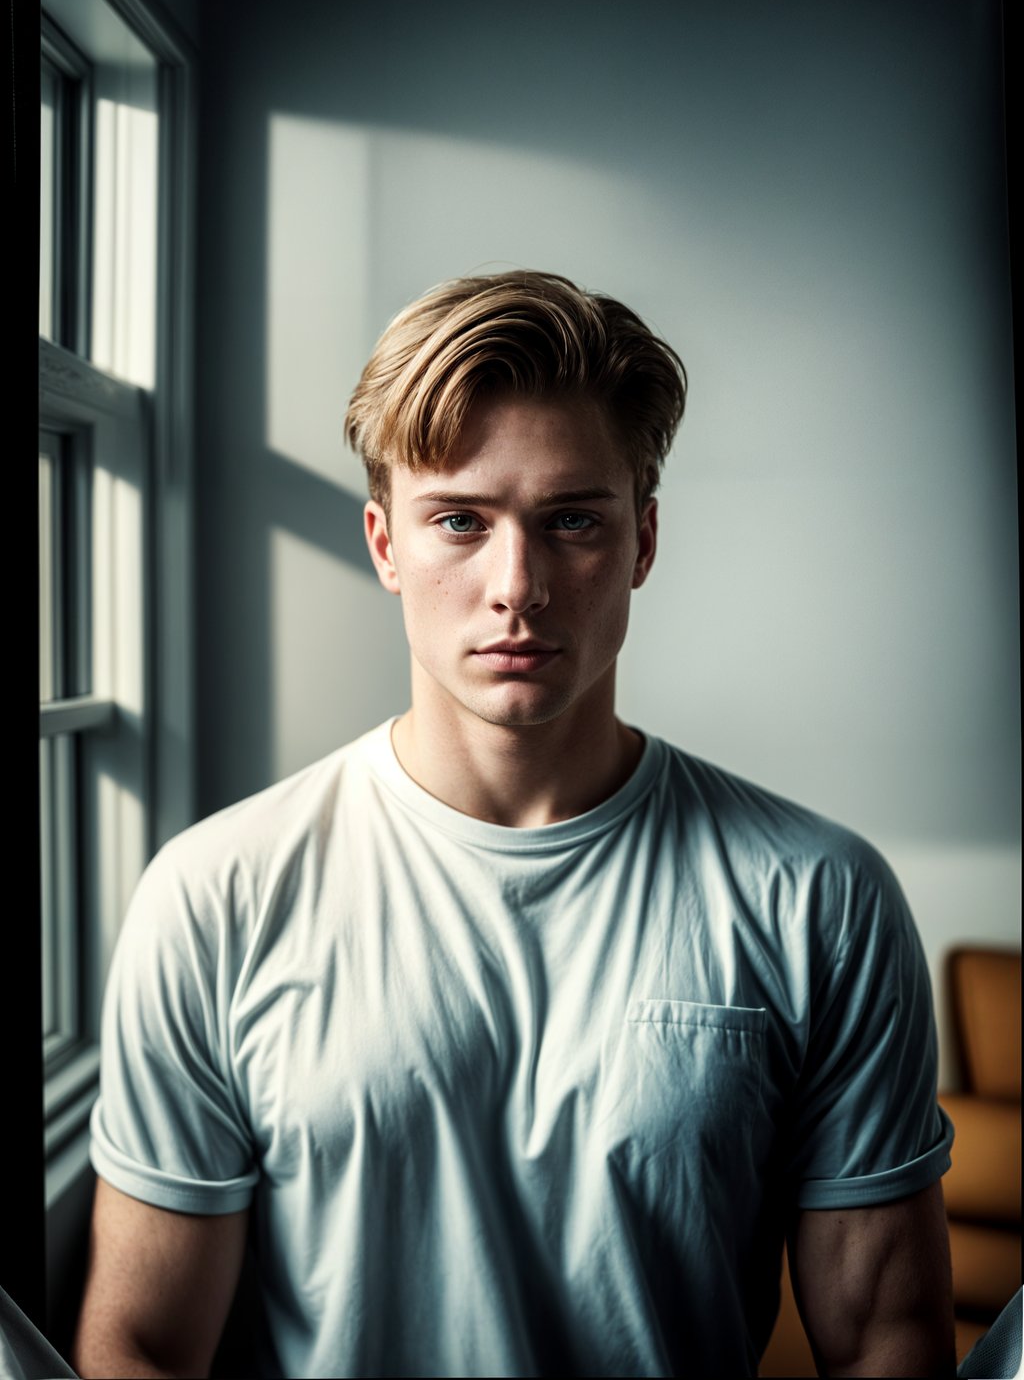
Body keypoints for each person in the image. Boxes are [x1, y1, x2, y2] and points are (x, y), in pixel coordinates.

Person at [72, 270, 957, 1379]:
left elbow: (886, 1343)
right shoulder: (216, 895)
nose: (518, 585)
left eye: (571, 520)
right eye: (458, 520)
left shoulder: (818, 896)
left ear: (640, 542)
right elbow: (143, 1349)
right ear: (386, 544)